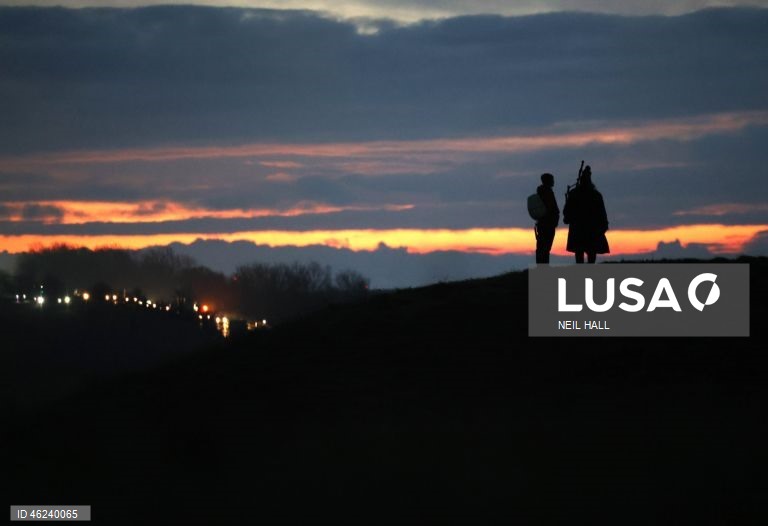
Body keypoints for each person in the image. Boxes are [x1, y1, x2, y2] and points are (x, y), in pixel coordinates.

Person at [563, 165, 609, 263]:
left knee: (580, 254)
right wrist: (604, 225)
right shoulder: (595, 195)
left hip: (578, 228)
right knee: (591, 253)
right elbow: (602, 212)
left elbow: (567, 211)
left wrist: (567, 217)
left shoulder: (574, 194)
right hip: (592, 229)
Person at [535, 172, 560, 264]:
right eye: (552, 180)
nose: (553, 181)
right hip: (547, 224)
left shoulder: (543, 192)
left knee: (543, 247)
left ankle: (542, 265)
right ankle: (543, 265)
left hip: (544, 224)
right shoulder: (547, 192)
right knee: (545, 247)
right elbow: (551, 208)